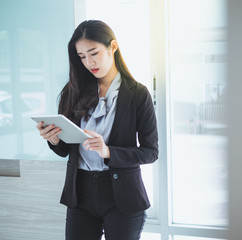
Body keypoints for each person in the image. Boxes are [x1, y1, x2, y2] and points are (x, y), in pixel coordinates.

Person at [36, 20, 158, 240]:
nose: (88, 62)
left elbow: (151, 152)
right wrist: (53, 139)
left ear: (113, 46)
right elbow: (65, 150)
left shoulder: (138, 93)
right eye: (81, 56)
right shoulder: (73, 91)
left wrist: (108, 151)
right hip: (80, 194)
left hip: (123, 196)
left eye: (93, 53)